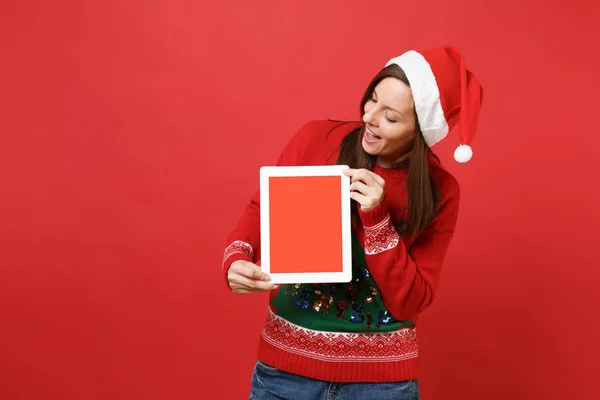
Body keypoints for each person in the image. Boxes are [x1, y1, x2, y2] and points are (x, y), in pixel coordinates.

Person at [221, 45, 483, 399]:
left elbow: (411, 301)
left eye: (391, 116)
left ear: (419, 132)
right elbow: (263, 207)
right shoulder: (317, 141)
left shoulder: (440, 190)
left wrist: (377, 218)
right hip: (286, 371)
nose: (370, 117)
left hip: (382, 384)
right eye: (372, 99)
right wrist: (237, 256)